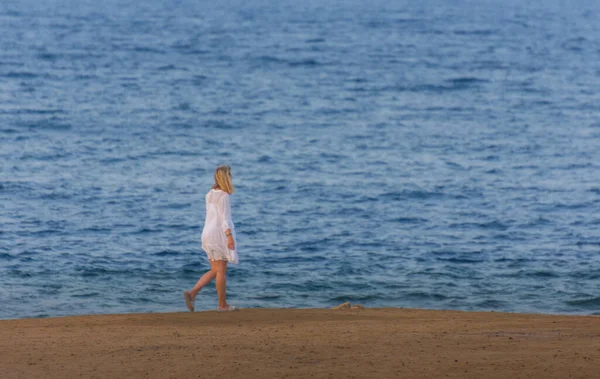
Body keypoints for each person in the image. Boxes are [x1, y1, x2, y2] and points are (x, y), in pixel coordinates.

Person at [184, 165, 239, 312]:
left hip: (207, 233)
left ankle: (192, 293)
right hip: (218, 234)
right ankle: (222, 305)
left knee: (215, 269)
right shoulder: (224, 196)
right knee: (221, 270)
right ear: (226, 177)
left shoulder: (209, 194)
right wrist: (229, 236)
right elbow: (225, 219)